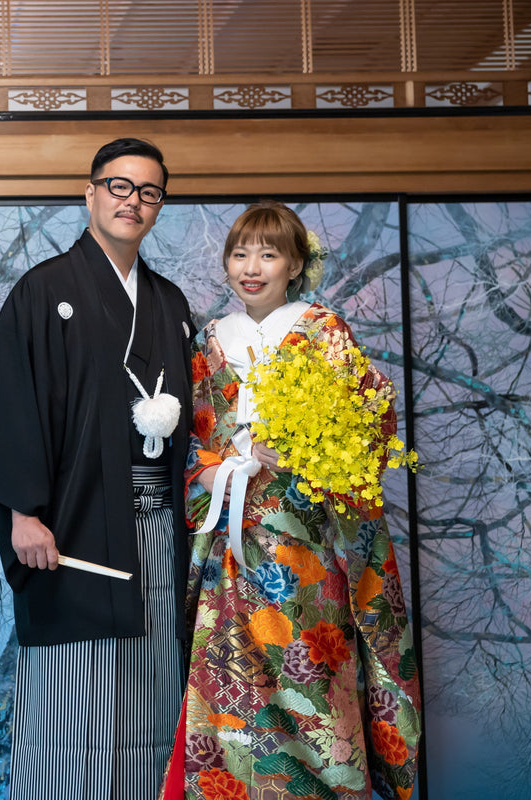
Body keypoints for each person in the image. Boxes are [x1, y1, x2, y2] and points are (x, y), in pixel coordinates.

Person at [0, 138, 195, 799]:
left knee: (152, 684)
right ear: (89, 194)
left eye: (149, 193)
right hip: (73, 524)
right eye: (119, 186)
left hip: (157, 527)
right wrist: (21, 515)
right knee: (71, 696)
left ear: (158, 207)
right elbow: (12, 402)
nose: (133, 202)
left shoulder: (170, 302)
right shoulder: (45, 290)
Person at [165, 201, 421, 799]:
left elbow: (369, 429)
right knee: (230, 683)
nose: (251, 267)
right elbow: (193, 438)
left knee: (315, 679)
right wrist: (216, 469)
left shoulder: (322, 329)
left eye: (269, 253)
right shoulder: (210, 338)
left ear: (295, 263)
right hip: (234, 536)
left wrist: (307, 452)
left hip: (306, 543)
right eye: (240, 253)